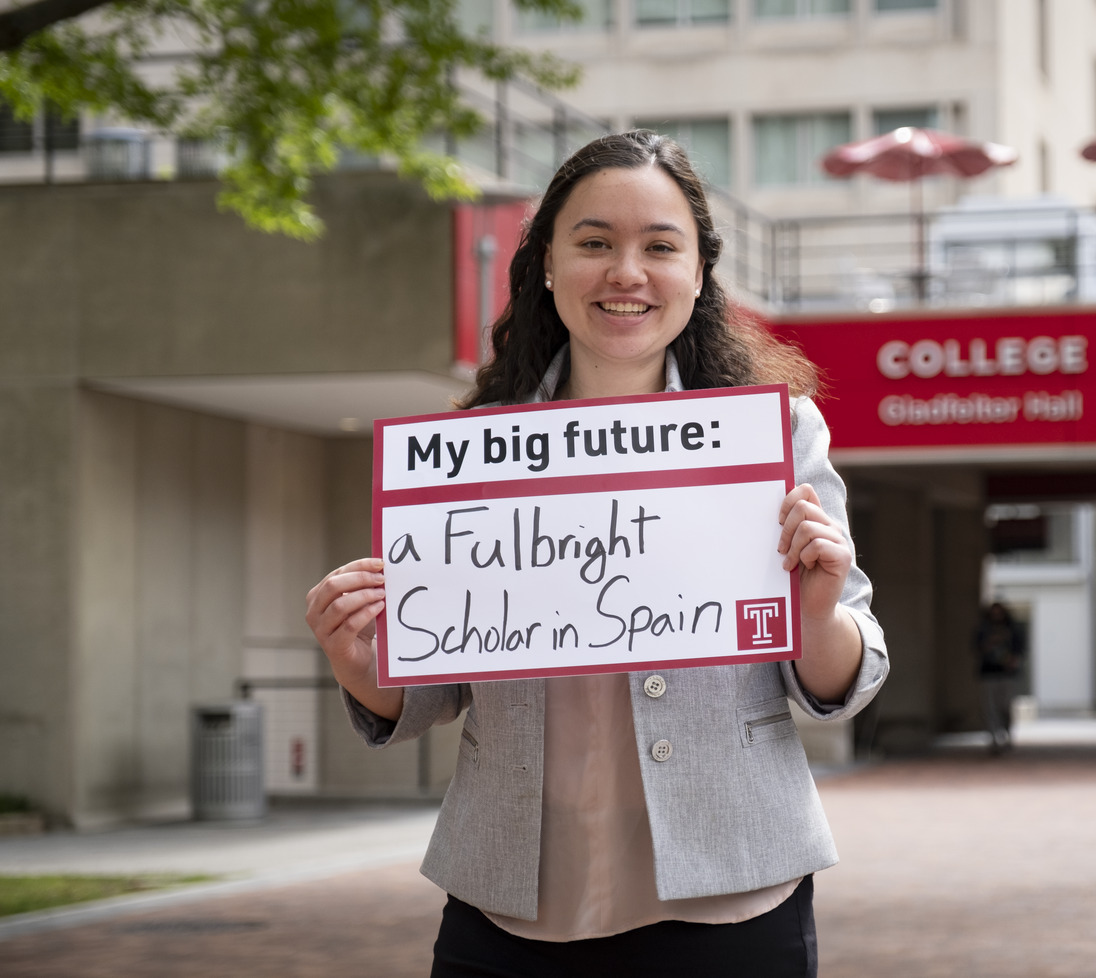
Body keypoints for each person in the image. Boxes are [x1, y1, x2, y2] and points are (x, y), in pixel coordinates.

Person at [305, 130, 888, 977]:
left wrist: (820, 606)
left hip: (735, 894)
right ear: (545, 262)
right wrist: (362, 661)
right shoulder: (471, 451)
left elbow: (842, 682)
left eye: (660, 247)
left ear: (698, 272)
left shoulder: (775, 436)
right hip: (508, 906)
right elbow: (433, 686)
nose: (627, 272)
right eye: (594, 244)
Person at [972, 600, 1026, 753]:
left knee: (1005, 705)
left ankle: (1007, 732)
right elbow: (976, 647)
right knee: (989, 707)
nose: (996, 615)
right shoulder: (983, 629)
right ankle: (993, 737)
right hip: (989, 673)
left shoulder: (1012, 628)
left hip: (1007, 673)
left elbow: (1020, 649)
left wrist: (1013, 660)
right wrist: (989, 643)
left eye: (999, 612)